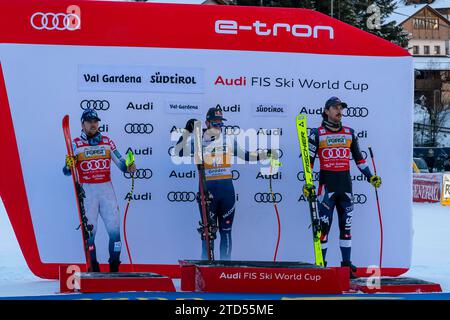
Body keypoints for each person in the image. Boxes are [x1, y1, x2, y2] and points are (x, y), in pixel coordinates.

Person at [174, 107, 277, 260]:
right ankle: (205, 268)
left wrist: (266, 153)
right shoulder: (199, 141)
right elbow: (178, 152)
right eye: (215, 123)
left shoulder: (227, 141)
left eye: (220, 124)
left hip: (226, 193)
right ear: (207, 123)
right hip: (207, 193)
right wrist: (186, 132)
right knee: (207, 232)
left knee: (226, 231)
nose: (218, 127)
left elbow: (247, 155)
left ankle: (225, 268)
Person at [302, 97, 382, 278]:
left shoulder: (350, 133)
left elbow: (359, 160)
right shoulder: (317, 133)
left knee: (346, 229)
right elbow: (309, 163)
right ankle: (321, 266)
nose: (339, 110)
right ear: (326, 111)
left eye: (341, 107)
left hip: (345, 188)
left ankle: (346, 267)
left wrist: (371, 177)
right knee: (324, 229)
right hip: (327, 190)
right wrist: (308, 184)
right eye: (335, 107)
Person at [63, 108, 136, 272]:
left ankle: (115, 267)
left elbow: (122, 165)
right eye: (89, 121)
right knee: (90, 233)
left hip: (107, 192)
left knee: (115, 232)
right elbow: (67, 171)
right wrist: (69, 165)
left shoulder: (108, 142)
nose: (93, 124)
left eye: (95, 121)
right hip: (88, 193)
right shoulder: (75, 144)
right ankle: (93, 267)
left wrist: (129, 166)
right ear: (82, 124)